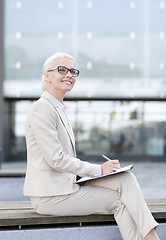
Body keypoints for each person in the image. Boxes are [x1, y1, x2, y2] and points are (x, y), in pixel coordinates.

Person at [24, 52, 160, 240]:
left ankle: (151, 236)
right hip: (51, 196)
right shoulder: (42, 108)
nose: (69, 75)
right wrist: (98, 170)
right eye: (62, 70)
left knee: (125, 178)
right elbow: (55, 159)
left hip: (66, 186)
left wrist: (106, 171)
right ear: (47, 75)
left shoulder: (58, 108)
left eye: (73, 71)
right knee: (120, 201)